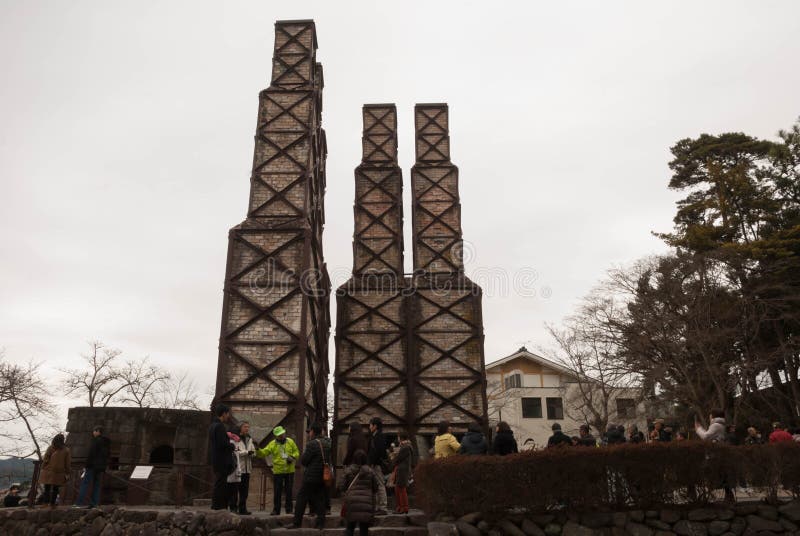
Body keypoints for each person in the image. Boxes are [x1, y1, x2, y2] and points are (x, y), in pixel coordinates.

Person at [290, 422, 328, 530]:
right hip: (322, 476)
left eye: (310, 431)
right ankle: (320, 524)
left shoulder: (312, 444)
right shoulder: (327, 443)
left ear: (313, 432)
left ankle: (297, 523)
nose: (309, 433)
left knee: (301, 498)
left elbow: (304, 461)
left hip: (311, 477)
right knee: (321, 499)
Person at [256, 425, 299, 515]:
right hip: (278, 471)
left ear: (284, 433)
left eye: (282, 434)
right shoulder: (272, 444)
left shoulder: (290, 442)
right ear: (276, 436)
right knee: (277, 491)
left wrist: (292, 457)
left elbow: (296, 452)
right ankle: (276, 510)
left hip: (289, 471)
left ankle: (289, 509)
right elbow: (264, 453)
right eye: (279, 435)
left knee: (289, 491)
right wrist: (257, 450)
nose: (281, 436)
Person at [340, 449, 380, 536]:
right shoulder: (370, 471)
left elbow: (342, 487)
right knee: (364, 530)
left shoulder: (348, 470)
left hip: (351, 503)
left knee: (350, 528)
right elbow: (376, 487)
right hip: (366, 504)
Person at [74, 425, 110, 508]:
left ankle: (79, 503)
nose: (93, 432)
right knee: (96, 485)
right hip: (100, 467)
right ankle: (94, 503)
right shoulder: (106, 442)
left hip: (92, 466)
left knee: (85, 483)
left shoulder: (96, 441)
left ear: (98, 431)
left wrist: (86, 466)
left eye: (94, 431)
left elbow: (91, 454)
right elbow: (107, 455)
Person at [207, 404, 234, 510]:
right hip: (222, 460)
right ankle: (219, 506)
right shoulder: (220, 426)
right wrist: (231, 445)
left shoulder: (212, 426)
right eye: (228, 414)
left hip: (216, 458)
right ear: (223, 413)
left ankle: (216, 505)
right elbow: (222, 444)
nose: (228, 416)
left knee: (219, 482)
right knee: (221, 484)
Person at [40, 433, 71, 508]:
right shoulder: (66, 450)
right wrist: (67, 472)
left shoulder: (51, 448)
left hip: (48, 471)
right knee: (55, 488)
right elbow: (67, 463)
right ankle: (52, 504)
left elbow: (46, 459)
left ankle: (45, 503)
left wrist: (43, 467)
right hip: (59, 472)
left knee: (47, 487)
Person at [231, 422, 255, 515]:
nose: (247, 428)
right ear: (240, 428)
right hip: (239, 468)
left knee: (244, 491)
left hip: (247, 468)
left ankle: (243, 508)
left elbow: (253, 450)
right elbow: (235, 451)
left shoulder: (249, 439)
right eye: (245, 427)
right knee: (235, 489)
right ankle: (233, 508)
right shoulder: (235, 439)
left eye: (248, 427)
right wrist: (246, 452)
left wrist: (252, 453)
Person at [367, 417, 389, 515]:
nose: (369, 427)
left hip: (377, 465)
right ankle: (377, 507)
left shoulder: (379, 436)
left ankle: (383, 507)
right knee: (375, 485)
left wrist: (372, 462)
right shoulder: (374, 436)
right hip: (374, 464)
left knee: (380, 485)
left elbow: (380, 452)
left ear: (375, 426)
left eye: (370, 424)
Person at [392, 433, 413, 514]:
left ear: (400, 438)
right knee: (398, 488)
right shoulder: (405, 446)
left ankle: (404, 507)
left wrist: (393, 457)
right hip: (401, 469)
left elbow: (398, 459)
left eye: (398, 437)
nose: (397, 439)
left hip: (402, 470)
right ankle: (400, 507)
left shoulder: (405, 447)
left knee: (401, 489)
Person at [226, 431, 242, 513]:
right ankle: (231, 507)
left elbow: (238, 455)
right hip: (230, 469)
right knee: (230, 489)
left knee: (234, 490)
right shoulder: (229, 442)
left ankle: (234, 507)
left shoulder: (237, 442)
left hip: (235, 468)